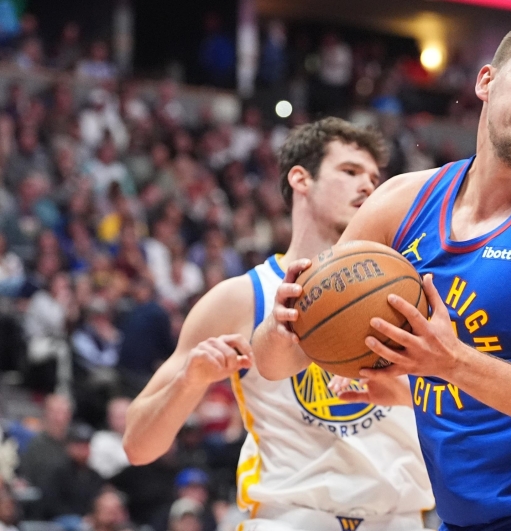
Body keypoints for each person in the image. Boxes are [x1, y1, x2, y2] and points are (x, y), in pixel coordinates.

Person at [255, 21, 511, 530]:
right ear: (486, 81)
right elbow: (277, 362)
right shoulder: (400, 202)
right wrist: (283, 324)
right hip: (467, 517)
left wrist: (452, 363)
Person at [122, 117, 433, 531]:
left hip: (402, 520)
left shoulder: (411, 286)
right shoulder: (242, 297)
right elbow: (138, 446)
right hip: (291, 518)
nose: (367, 186)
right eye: (350, 171)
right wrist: (190, 381)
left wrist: (409, 395)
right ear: (301, 179)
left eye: (374, 178)